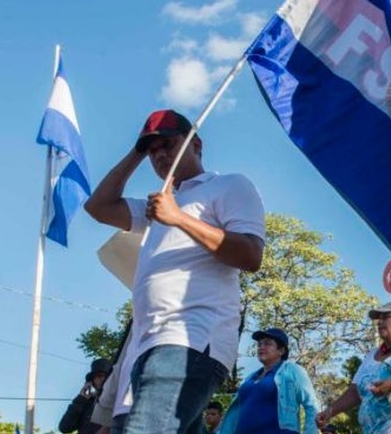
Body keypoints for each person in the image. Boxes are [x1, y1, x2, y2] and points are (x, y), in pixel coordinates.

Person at [85, 109, 266, 434]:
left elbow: (251, 255)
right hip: (146, 346)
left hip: (190, 339)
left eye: (168, 144)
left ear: (195, 144)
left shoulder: (228, 186)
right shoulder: (159, 205)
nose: (160, 155)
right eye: (152, 150)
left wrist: (178, 218)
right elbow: (98, 207)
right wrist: (136, 153)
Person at [319, 301, 391, 434]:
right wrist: (329, 412)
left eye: (385, 317)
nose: (379, 322)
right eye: (379, 318)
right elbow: (354, 392)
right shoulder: (372, 355)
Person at [218, 328, 320, 434]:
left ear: (281, 350)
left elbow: (311, 405)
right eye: (259, 344)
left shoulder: (291, 371)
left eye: (267, 343)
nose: (261, 347)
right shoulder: (249, 379)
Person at [59, 358, 112, 434]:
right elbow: (64, 427)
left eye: (104, 376)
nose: (101, 379)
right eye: (96, 377)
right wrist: (81, 398)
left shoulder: (116, 400)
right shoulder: (87, 403)